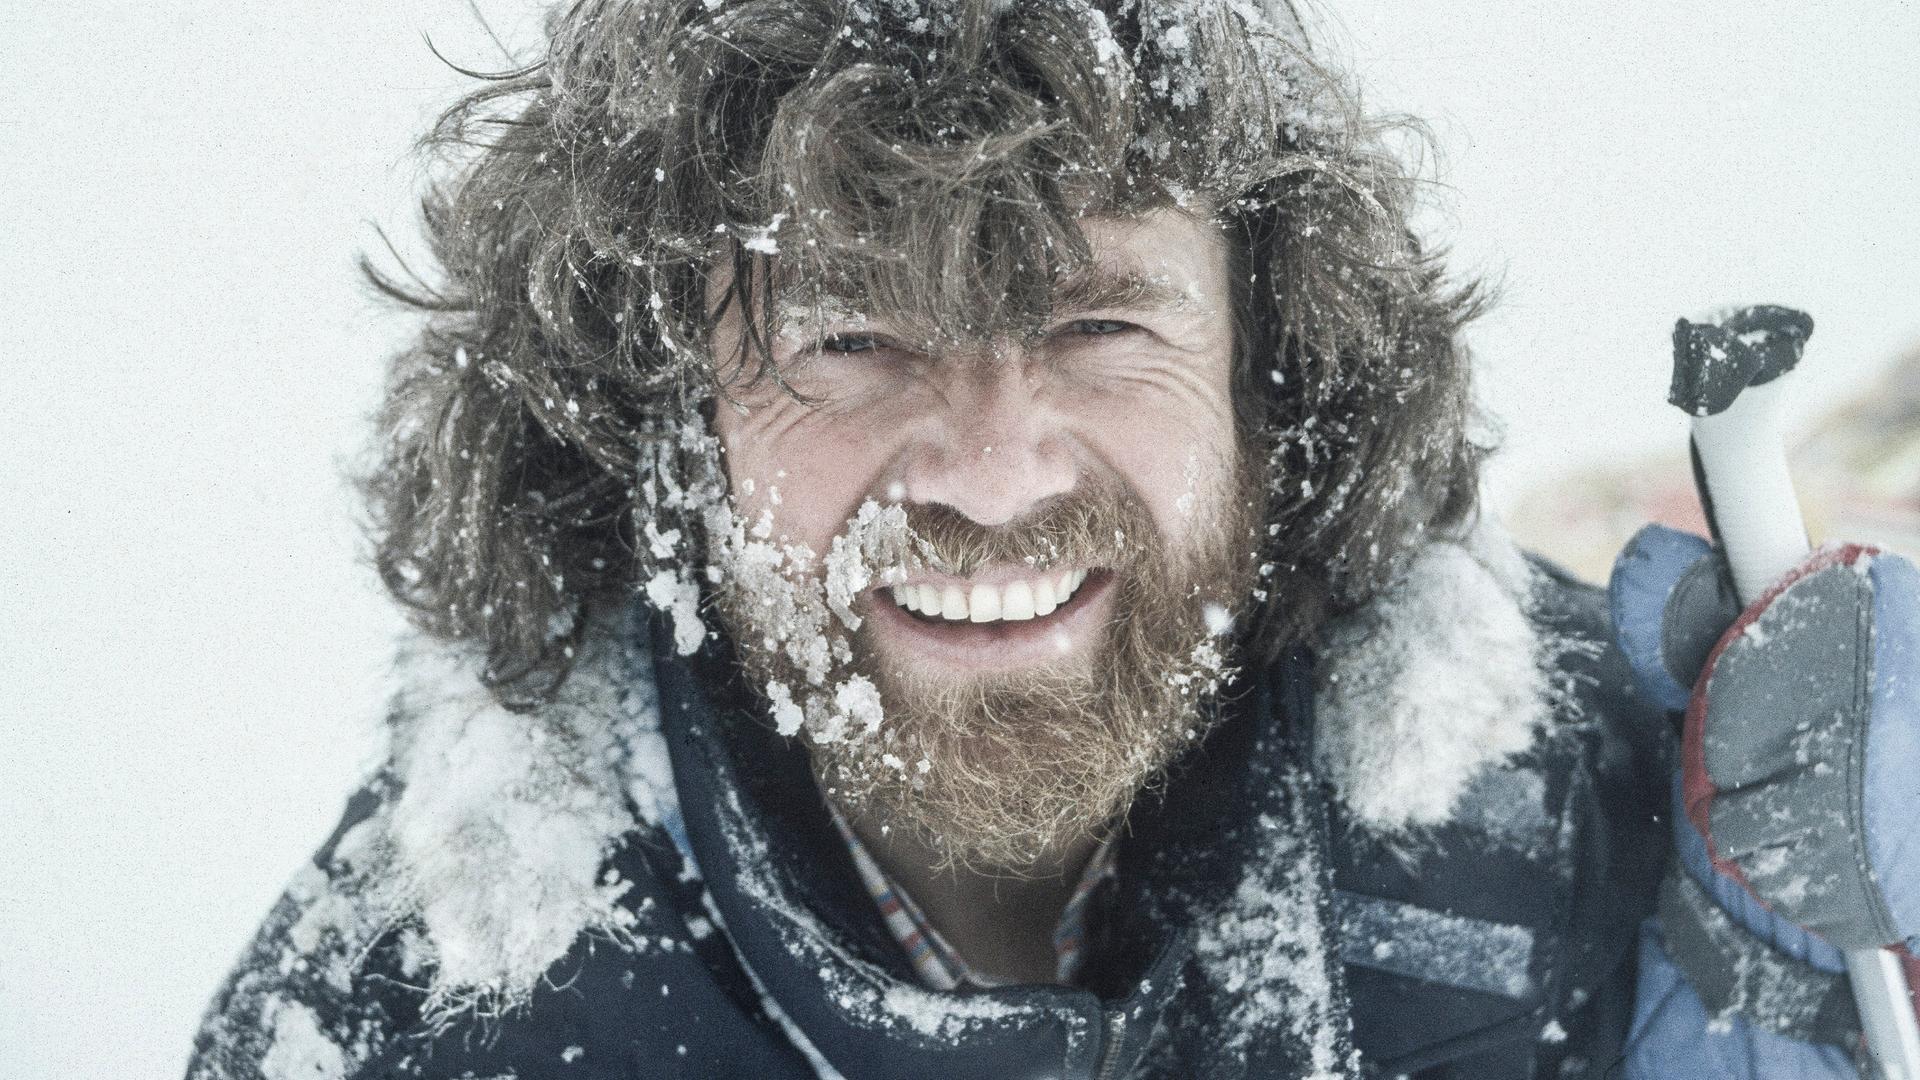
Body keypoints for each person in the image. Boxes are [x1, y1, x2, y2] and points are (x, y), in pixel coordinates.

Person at [187, 0, 1920, 1076]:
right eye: (853, 337)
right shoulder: (410, 1032)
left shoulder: (1609, 819)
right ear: (656, 420)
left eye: (1102, 326)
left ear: (1269, 372)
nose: (995, 472)